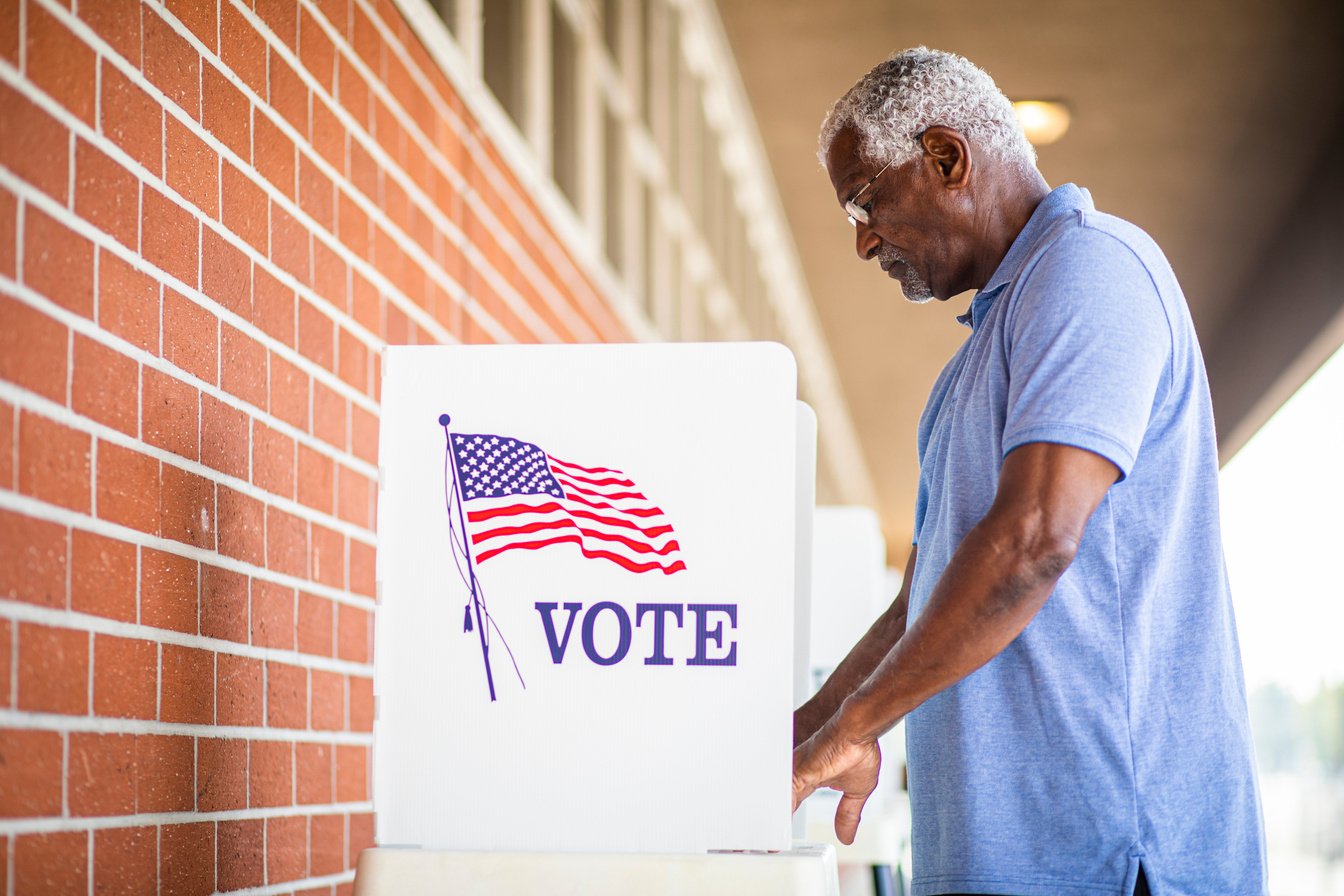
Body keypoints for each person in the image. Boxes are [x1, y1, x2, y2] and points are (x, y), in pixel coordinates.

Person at [791, 47, 1268, 896]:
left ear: (945, 158)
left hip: (1108, 858)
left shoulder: (1092, 270)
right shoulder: (965, 373)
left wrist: (858, 726)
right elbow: (920, 602)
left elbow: (1035, 540)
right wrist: (801, 738)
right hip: (997, 861)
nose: (863, 241)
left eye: (866, 202)